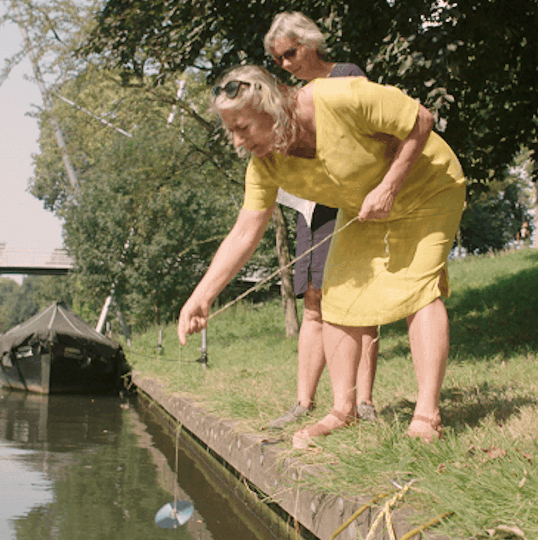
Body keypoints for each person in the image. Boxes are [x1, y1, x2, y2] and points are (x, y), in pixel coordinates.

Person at [178, 66, 466, 448]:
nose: (236, 142)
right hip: (364, 208)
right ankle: (342, 412)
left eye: (242, 128)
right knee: (338, 301)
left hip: (427, 185)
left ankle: (427, 414)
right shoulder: (266, 163)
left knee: (418, 288)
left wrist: (389, 186)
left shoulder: (339, 97)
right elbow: (246, 231)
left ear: (271, 107)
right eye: (230, 131)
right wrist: (201, 297)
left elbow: (421, 118)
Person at [260, 12, 380, 429]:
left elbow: (370, 135)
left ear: (310, 43)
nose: (286, 64)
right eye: (277, 60)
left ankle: (362, 403)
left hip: (348, 204)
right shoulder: (292, 96)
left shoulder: (347, 75)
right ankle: (303, 403)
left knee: (359, 304)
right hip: (311, 209)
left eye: (289, 53)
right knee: (313, 303)